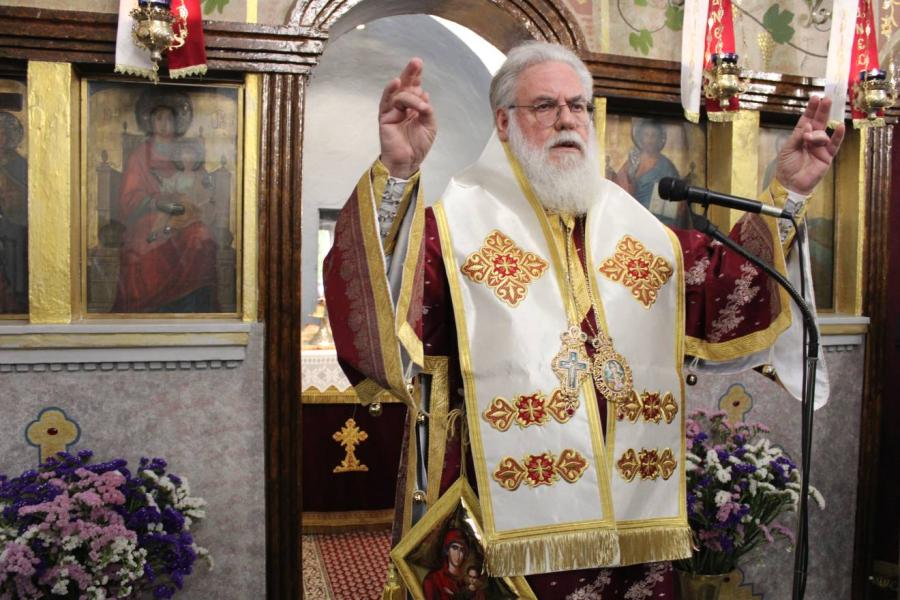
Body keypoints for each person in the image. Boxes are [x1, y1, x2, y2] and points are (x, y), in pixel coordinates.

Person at [324, 42, 844, 597]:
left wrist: (791, 190)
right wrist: (398, 174)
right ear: (504, 123)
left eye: (578, 105)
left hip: (630, 526)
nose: (567, 119)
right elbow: (385, 301)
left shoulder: (640, 233)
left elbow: (723, 290)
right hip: (501, 517)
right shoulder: (455, 230)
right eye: (545, 106)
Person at [111, 92, 218, 313]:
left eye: (169, 118)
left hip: (184, 211)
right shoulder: (139, 155)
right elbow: (129, 198)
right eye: (159, 118)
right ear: (149, 121)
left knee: (200, 235)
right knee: (147, 241)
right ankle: (151, 308)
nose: (164, 124)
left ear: (176, 122)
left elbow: (200, 182)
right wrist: (157, 203)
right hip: (149, 214)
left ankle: (191, 306)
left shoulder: (185, 151)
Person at [0, 111, 28, 313]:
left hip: (13, 219)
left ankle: (14, 296)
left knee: (13, 251)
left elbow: (26, 192)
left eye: (2, 133)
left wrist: (10, 195)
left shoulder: (18, 163)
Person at [422, 529, 470, 599]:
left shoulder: (468, 581)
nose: (458, 554)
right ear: (447, 550)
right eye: (455, 548)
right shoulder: (433, 579)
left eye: (462, 550)